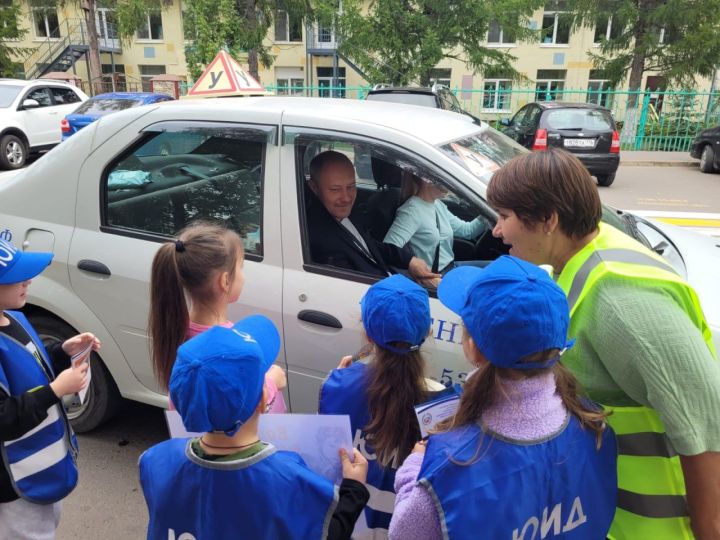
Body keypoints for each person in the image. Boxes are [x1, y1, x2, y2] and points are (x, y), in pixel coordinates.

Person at [487, 148, 720, 539]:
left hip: (659, 527)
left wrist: (710, 530)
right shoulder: (579, 256)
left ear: (549, 220)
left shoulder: (620, 299)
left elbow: (704, 419)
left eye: (505, 217)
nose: (496, 230)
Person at [389, 256, 618, 540]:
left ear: (474, 348)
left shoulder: (448, 468)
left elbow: (404, 534)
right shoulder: (596, 428)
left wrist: (413, 469)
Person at [139, 315, 370, 540]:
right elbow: (329, 529)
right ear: (263, 399)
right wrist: (353, 490)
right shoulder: (292, 482)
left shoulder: (153, 462)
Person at [319, 274, 453, 537]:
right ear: (427, 332)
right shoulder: (445, 407)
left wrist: (340, 381)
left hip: (345, 528)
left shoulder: (336, 386)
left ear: (367, 334)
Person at [0, 238, 99, 539]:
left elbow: (31, 362)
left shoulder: (13, 317)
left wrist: (62, 351)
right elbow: (4, 417)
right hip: (13, 481)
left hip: (42, 465)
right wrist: (55, 390)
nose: (27, 280)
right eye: (15, 276)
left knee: (47, 523)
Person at [149, 221, 286, 412]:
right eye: (241, 267)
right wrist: (270, 384)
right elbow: (228, 414)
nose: (244, 276)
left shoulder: (177, 332)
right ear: (225, 280)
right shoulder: (232, 349)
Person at [306, 150, 440, 284]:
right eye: (335, 189)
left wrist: (409, 260)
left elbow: (370, 246)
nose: (346, 198)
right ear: (314, 187)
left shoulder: (348, 214)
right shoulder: (316, 238)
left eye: (351, 186)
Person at [383, 171, 488, 275]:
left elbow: (467, 231)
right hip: (435, 276)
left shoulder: (438, 205)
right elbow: (389, 248)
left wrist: (489, 211)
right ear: (426, 181)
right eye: (443, 179)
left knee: (499, 269)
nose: (448, 185)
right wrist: (413, 264)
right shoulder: (411, 211)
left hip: (451, 268)